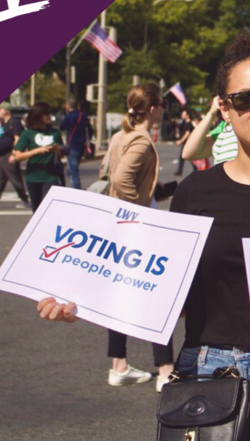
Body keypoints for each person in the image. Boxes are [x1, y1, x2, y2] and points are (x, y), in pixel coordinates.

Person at [38, 32, 250, 440]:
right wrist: (87, 298)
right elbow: (172, 298)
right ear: (224, 108)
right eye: (244, 98)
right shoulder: (194, 193)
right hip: (206, 374)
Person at [100, 83, 176, 391]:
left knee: (121, 295)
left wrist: (162, 190)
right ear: (154, 109)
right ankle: (166, 370)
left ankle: (118, 364)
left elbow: (109, 174)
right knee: (158, 295)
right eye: (163, 105)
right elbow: (122, 179)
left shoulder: (121, 136)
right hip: (135, 226)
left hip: (116, 224)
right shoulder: (142, 140)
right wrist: (139, 209)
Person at [12, 102, 64, 212]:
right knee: (36, 210)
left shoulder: (55, 133)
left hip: (50, 176)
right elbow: (17, 156)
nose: (50, 117)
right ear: (39, 116)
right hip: (33, 176)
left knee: (49, 209)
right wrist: (37, 151)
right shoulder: (27, 133)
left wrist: (57, 150)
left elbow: (61, 155)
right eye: (47, 114)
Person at [0, 107, 30, 210]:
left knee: (15, 178)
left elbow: (17, 138)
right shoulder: (3, 123)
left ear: (6, 111)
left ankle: (25, 200)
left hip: (9, 155)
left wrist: (14, 153)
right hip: (1, 156)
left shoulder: (14, 122)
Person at [60, 99, 92, 189]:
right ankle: (75, 187)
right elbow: (90, 130)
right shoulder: (83, 116)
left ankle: (76, 190)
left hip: (72, 144)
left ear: (68, 106)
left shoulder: (69, 117)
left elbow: (62, 126)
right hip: (82, 145)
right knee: (72, 168)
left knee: (73, 171)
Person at [173, 109, 194, 176]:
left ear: (187, 115)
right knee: (184, 157)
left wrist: (180, 141)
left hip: (187, 143)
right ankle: (180, 170)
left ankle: (180, 170)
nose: (182, 116)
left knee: (187, 157)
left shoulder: (189, 123)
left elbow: (187, 133)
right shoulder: (184, 123)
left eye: (183, 114)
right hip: (186, 143)